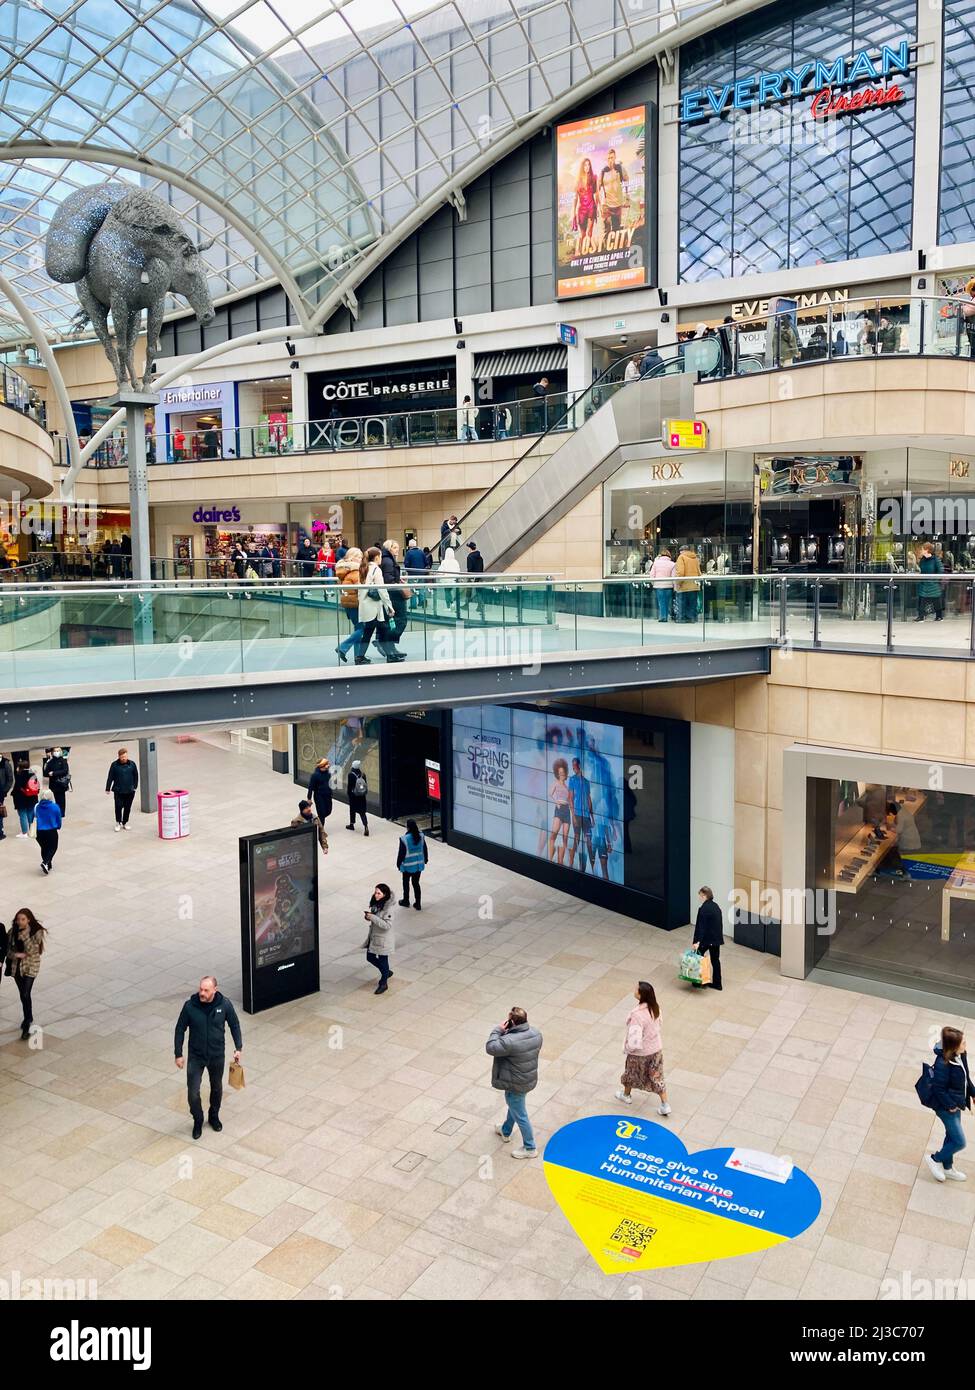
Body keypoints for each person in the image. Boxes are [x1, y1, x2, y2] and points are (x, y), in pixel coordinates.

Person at [174, 976, 243, 1140]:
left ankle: (214, 1116)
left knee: (216, 1088)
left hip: (216, 1055)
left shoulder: (224, 1005)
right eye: (200, 989)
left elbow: (234, 1024)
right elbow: (179, 1029)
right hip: (196, 1057)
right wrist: (178, 1054)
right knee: (193, 1092)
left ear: (214, 990)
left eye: (206, 990)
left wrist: (238, 1047)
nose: (202, 993)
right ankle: (198, 1119)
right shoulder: (190, 1007)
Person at [488, 1006, 543, 1159]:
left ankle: (530, 1147)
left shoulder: (508, 1041)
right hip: (527, 1078)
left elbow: (491, 1047)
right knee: (515, 1105)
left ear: (511, 1022)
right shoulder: (536, 1033)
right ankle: (505, 1131)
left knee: (521, 1114)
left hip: (514, 1082)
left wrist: (497, 1030)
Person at [925, 1026, 975, 1183]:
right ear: (953, 1046)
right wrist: (950, 1105)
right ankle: (935, 1159)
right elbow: (938, 1089)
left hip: (956, 1102)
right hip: (946, 1108)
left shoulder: (961, 1055)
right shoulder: (942, 1064)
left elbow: (966, 1077)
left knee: (951, 1136)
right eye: (962, 1042)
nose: (965, 1044)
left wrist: (973, 1093)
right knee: (960, 1142)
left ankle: (948, 1167)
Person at [615, 981, 671, 1115]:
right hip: (655, 1050)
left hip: (640, 1052)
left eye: (636, 989)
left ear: (641, 995)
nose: (634, 990)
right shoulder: (655, 1008)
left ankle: (626, 1095)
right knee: (657, 1076)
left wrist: (628, 1048)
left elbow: (634, 1039)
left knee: (631, 1072)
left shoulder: (637, 1015)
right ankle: (665, 1104)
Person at [356, 546, 403, 663]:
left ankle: (362, 656)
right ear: (377, 557)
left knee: (377, 630)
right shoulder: (376, 570)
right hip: (374, 607)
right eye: (380, 556)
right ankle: (387, 656)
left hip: (366, 605)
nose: (381, 558)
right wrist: (389, 606)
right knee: (378, 631)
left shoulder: (364, 568)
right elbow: (382, 590)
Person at [6, 908, 45, 1039]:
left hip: (31, 965)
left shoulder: (36, 932)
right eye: (18, 919)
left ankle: (27, 1022)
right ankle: (28, 1016)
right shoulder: (12, 932)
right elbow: (7, 951)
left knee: (25, 993)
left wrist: (24, 934)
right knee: (23, 994)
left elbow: (32, 950)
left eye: (23, 919)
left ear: (28, 919)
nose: (20, 922)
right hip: (17, 967)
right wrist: (15, 954)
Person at [334, 545, 365, 663]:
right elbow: (361, 589)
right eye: (358, 557)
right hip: (356, 603)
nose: (360, 559)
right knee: (362, 629)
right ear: (351, 558)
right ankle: (343, 647)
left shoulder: (344, 571)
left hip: (348, 603)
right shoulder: (355, 571)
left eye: (361, 557)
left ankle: (358, 657)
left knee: (358, 628)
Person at [362, 883, 395, 994]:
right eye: (375, 892)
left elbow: (387, 925)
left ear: (384, 894)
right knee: (370, 957)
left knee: (383, 960)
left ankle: (383, 983)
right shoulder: (376, 904)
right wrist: (369, 917)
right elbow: (375, 919)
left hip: (383, 940)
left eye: (378, 893)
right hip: (374, 937)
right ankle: (386, 972)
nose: (375, 895)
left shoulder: (388, 909)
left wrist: (372, 917)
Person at [692, 885, 724, 991]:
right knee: (715, 960)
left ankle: (698, 982)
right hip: (716, 939)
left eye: (700, 895)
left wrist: (697, 942)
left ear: (705, 896)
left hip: (707, 939)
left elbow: (700, 927)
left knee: (697, 957)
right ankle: (717, 983)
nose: (699, 898)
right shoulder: (716, 906)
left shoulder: (703, 909)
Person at [380, 539, 410, 644]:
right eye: (394, 547)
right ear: (389, 548)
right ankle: (386, 642)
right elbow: (388, 579)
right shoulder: (388, 561)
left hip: (391, 593)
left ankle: (385, 642)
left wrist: (398, 579)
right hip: (393, 594)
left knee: (393, 621)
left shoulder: (386, 559)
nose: (397, 550)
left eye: (397, 547)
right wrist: (396, 583)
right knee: (401, 620)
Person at [397, 819, 428, 910]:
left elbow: (401, 853)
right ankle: (418, 903)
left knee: (406, 883)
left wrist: (398, 864)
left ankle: (406, 901)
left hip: (407, 866)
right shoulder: (421, 836)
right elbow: (425, 849)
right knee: (416, 883)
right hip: (418, 865)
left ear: (408, 827)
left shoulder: (404, 839)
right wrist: (425, 859)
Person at [105, 747, 138, 830]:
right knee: (118, 807)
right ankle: (118, 822)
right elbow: (110, 777)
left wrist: (135, 786)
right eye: (122, 757)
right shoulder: (114, 765)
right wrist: (108, 788)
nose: (124, 758)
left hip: (130, 790)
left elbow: (136, 775)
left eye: (125, 756)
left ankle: (125, 822)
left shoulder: (132, 764)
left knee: (127, 807)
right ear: (119, 756)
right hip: (118, 790)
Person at [572, 157, 598, 254]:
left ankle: (589, 251)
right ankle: (581, 252)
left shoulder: (594, 178)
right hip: (582, 209)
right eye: (585, 165)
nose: (587, 167)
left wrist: (598, 207)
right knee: (582, 234)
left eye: (588, 165)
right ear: (582, 167)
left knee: (589, 232)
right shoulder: (578, 181)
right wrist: (573, 212)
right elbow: (575, 198)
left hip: (591, 206)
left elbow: (596, 194)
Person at [547, 757, 571, 864]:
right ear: (557, 773)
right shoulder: (556, 783)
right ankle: (550, 859)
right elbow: (549, 794)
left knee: (565, 838)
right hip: (559, 809)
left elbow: (570, 799)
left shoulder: (567, 786)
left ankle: (560, 861)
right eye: (560, 772)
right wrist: (556, 801)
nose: (562, 774)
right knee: (554, 834)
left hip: (567, 810)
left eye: (563, 772)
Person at [34, 790, 62, 875]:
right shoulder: (55, 807)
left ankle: (48, 865)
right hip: (51, 831)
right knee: (53, 847)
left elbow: (33, 817)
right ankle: (45, 862)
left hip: (39, 831)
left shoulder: (37, 806)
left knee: (44, 847)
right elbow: (58, 819)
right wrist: (58, 826)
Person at [915, 542, 944, 622]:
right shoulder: (922, 560)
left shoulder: (936, 560)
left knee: (936, 601)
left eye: (922, 549)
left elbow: (941, 570)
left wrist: (935, 580)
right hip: (924, 584)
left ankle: (939, 616)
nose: (921, 550)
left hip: (933, 584)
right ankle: (921, 616)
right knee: (922, 601)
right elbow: (921, 570)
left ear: (927, 550)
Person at [674, 544, 702, 623]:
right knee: (693, 603)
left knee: (682, 603)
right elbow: (699, 573)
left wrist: (678, 583)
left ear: (681, 551)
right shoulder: (695, 558)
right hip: (694, 585)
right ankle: (692, 618)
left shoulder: (681, 557)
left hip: (684, 586)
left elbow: (680, 573)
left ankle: (681, 619)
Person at [12, 758, 39, 837]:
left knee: (22, 815)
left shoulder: (19, 775)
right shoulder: (33, 774)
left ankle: (24, 833)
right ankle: (32, 831)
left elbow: (17, 788)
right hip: (32, 798)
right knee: (30, 814)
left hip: (21, 799)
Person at [648, 547, 675, 622]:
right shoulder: (672, 564)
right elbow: (673, 576)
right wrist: (674, 586)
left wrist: (654, 583)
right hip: (669, 586)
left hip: (658, 586)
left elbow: (652, 575)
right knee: (667, 602)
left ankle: (663, 617)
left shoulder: (656, 563)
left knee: (661, 602)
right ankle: (666, 616)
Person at [42, 746, 70, 817]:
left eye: (58, 751)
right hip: (54, 784)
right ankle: (58, 812)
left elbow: (65, 771)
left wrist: (54, 773)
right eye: (55, 751)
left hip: (61, 784)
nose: (57, 752)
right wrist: (45, 760)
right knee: (57, 799)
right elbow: (45, 773)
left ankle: (62, 812)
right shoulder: (50, 762)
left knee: (62, 799)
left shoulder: (63, 761)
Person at [347, 759, 369, 835]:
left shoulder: (351, 775)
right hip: (362, 796)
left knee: (352, 810)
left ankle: (352, 824)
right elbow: (365, 785)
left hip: (354, 796)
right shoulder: (363, 774)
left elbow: (349, 787)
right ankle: (366, 826)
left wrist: (349, 795)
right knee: (362, 812)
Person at [307, 758, 333, 823]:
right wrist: (309, 798)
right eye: (326, 764)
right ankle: (321, 830)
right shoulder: (315, 775)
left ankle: (317, 820)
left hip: (327, 795)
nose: (328, 766)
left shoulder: (328, 774)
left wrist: (330, 792)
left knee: (328, 811)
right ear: (322, 766)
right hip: (319, 796)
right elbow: (310, 787)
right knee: (322, 813)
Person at [0, 751, 12, 842]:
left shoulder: (5, 763)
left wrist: (5, 791)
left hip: (0, 792)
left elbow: (10, 779)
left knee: (0, 812)